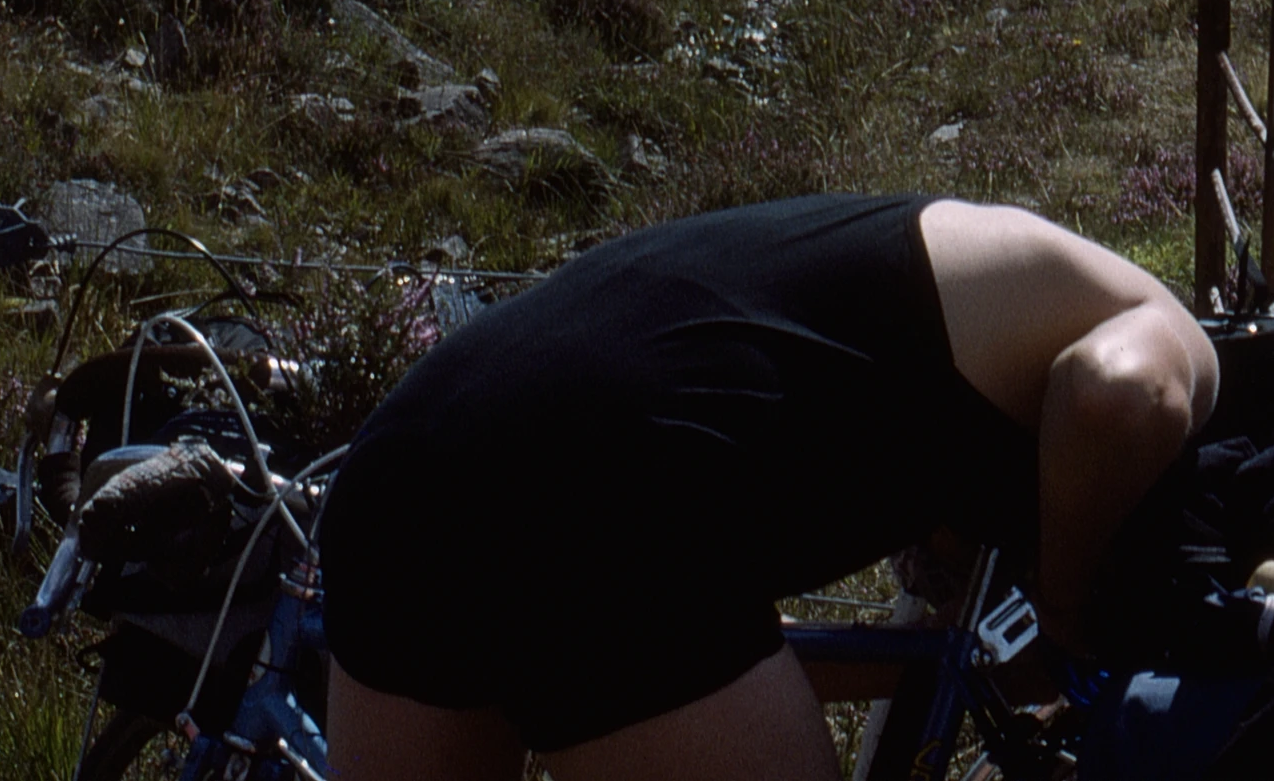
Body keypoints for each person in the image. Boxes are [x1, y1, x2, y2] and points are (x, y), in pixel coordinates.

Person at [318, 193, 1217, 780]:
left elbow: (680, 653)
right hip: (607, 494)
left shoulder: (922, 291)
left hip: (404, 466)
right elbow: (1125, 392)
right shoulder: (1170, 335)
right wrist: (1063, 618)